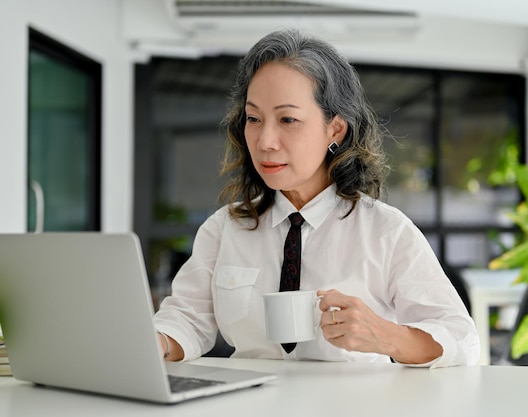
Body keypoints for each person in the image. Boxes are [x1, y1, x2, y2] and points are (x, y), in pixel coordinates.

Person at [153, 28, 480, 367]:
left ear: (334, 129)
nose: (265, 140)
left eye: (288, 119)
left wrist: (385, 336)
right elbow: (186, 320)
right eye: (254, 118)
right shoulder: (224, 229)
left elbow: (462, 340)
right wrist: (156, 342)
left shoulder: (387, 231)